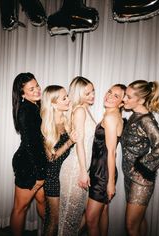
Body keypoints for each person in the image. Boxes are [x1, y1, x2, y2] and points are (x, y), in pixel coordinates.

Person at [120, 80, 159, 236]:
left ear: (141, 100)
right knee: (139, 221)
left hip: (140, 180)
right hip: (130, 176)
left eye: (128, 97)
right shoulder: (136, 116)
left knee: (130, 225)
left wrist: (141, 164)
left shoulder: (145, 120)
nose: (124, 100)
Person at [86, 84, 127, 236]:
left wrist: (110, 183)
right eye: (110, 91)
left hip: (102, 173)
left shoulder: (110, 117)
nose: (109, 96)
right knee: (103, 212)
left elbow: (111, 152)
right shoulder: (114, 115)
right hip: (103, 171)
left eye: (116, 96)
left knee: (91, 220)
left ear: (122, 102)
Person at [58, 76, 97, 236]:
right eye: (87, 93)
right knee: (68, 219)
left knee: (75, 220)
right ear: (79, 94)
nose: (92, 95)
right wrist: (82, 171)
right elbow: (79, 142)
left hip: (81, 167)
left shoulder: (85, 108)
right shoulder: (80, 110)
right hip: (74, 169)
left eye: (93, 91)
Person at [10, 72, 46, 236]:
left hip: (38, 162)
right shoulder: (26, 111)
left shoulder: (36, 106)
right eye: (31, 89)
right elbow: (32, 145)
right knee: (20, 207)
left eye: (37, 85)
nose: (37, 90)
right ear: (22, 94)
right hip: (29, 164)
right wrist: (40, 173)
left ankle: (50, 231)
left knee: (42, 201)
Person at [40, 85, 76, 236]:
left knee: (66, 218)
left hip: (68, 175)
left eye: (67, 96)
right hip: (53, 177)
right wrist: (69, 142)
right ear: (53, 103)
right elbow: (51, 158)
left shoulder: (67, 121)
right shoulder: (46, 126)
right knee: (53, 219)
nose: (68, 99)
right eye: (64, 98)